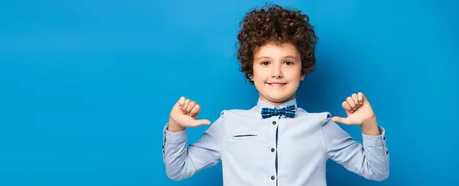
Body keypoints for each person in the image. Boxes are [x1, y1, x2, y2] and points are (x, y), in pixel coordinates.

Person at [161, 4, 390, 186]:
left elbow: (376, 171)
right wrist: (175, 127)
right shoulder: (229, 123)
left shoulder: (321, 126)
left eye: (288, 63)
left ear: (302, 71)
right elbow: (178, 170)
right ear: (251, 71)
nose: (277, 73)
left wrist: (369, 124)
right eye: (265, 62)